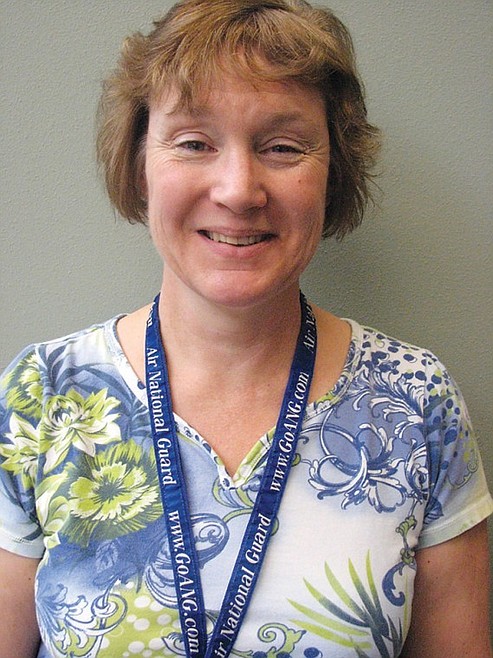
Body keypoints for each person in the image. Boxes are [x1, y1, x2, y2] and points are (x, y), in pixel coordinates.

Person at [0, 0, 491, 656]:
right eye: (194, 143)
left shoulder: (417, 400)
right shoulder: (42, 396)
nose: (238, 190)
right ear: (139, 164)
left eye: (282, 147)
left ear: (333, 174)